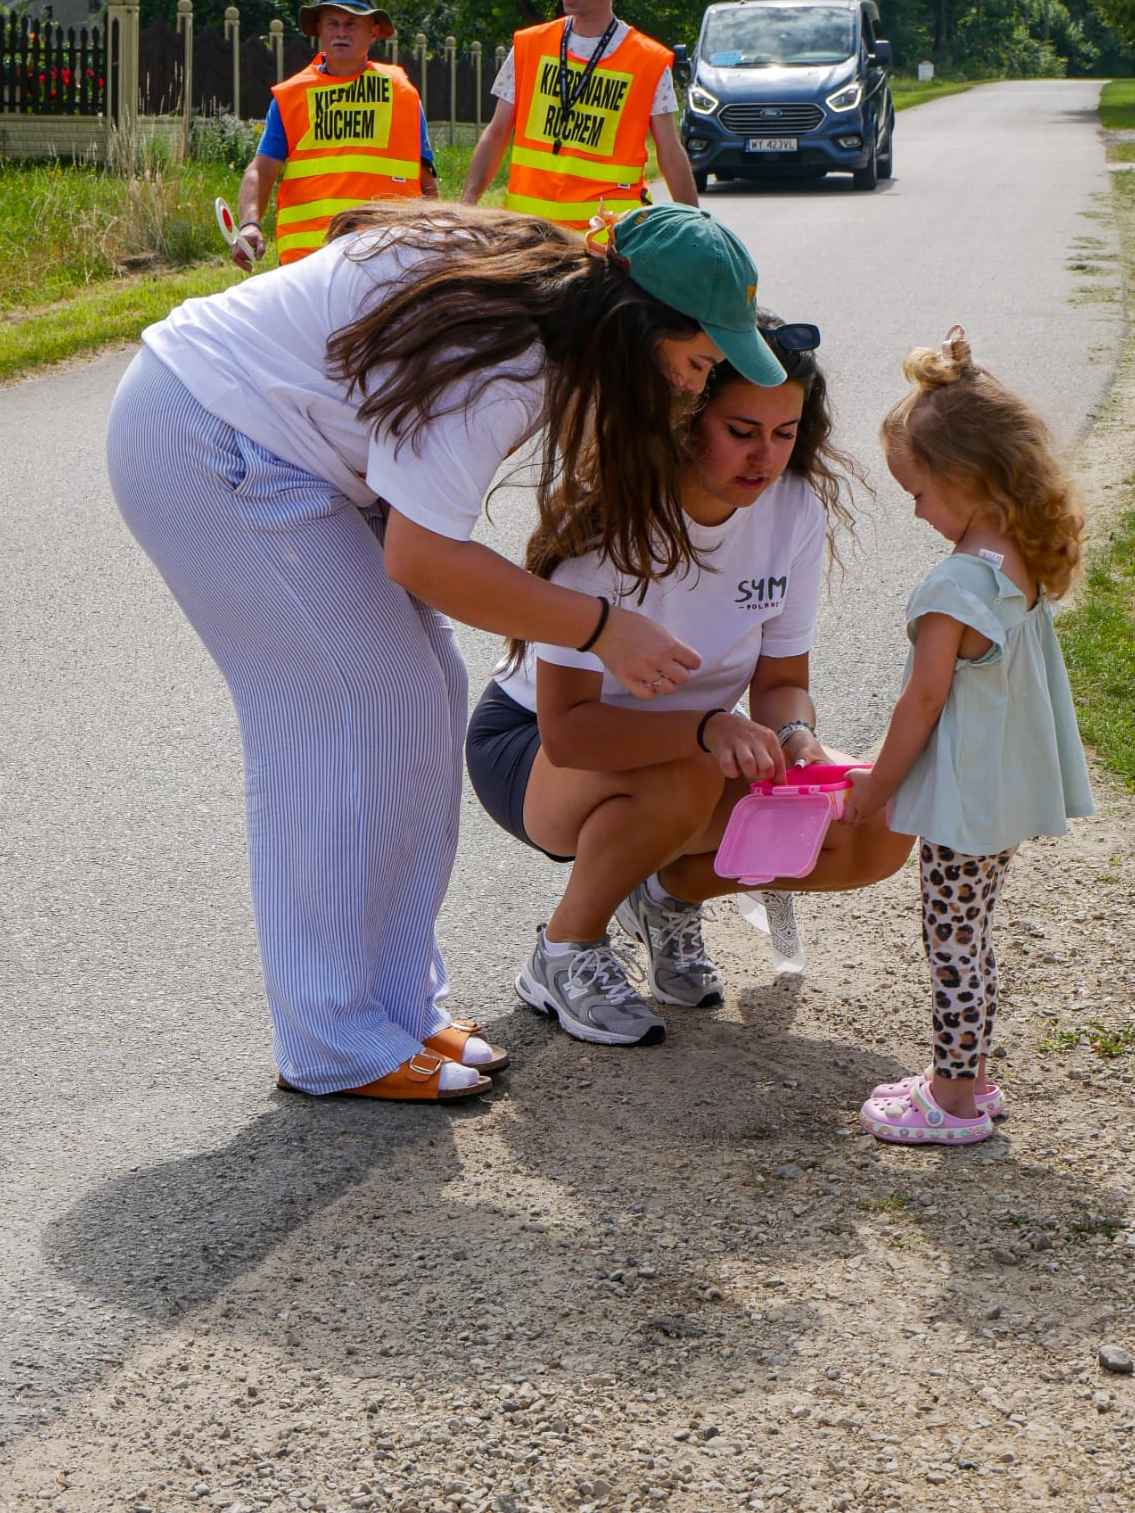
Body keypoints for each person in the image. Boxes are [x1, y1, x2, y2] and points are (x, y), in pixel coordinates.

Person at [107, 200, 781, 1103]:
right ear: (638, 327)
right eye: (698, 362)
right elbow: (421, 557)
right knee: (343, 714)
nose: (700, 389)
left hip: (267, 439)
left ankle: (398, 1010)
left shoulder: (554, 295)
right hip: (209, 434)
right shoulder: (507, 366)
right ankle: (333, 1041)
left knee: (425, 688)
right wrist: (598, 627)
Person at [466, 318, 911, 1045]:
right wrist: (706, 728)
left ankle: (665, 894)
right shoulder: (613, 522)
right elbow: (569, 731)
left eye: (785, 432)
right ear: (684, 419)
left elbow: (780, 682)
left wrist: (798, 738)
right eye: (741, 430)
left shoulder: (793, 506)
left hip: (695, 751)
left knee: (873, 824)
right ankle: (563, 950)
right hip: (539, 755)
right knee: (688, 774)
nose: (763, 457)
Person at [846, 327, 1094, 1146]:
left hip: (960, 803)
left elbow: (919, 704)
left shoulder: (954, 584)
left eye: (915, 491)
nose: (913, 510)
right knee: (974, 935)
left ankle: (951, 1101)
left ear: (968, 479)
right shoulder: (1015, 557)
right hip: (1000, 793)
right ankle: (969, 1077)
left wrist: (875, 789)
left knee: (949, 943)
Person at [463, 0, 699, 226]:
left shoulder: (648, 61)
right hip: (530, 239)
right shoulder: (530, 46)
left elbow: (670, 154)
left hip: (606, 245)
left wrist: (698, 226)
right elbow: (496, 134)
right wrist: (466, 208)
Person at [228, 0, 437, 272]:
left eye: (352, 23)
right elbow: (261, 171)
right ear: (319, 30)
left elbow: (425, 181)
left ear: (373, 32)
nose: (341, 32)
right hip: (308, 263)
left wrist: (436, 243)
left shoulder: (402, 95)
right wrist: (250, 224)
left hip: (387, 258)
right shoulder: (292, 97)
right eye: (332, 23)